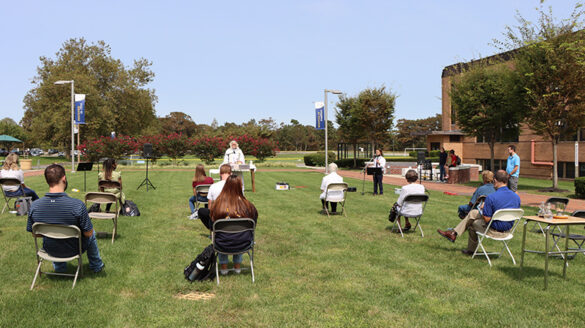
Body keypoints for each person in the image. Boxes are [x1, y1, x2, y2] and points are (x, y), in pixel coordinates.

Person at [26, 164, 105, 273]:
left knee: (50, 234)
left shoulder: (35, 206)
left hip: (50, 249)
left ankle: (60, 269)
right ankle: (96, 266)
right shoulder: (77, 205)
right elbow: (88, 234)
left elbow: (35, 234)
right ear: (64, 178)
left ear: (47, 180)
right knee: (92, 233)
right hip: (74, 249)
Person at [437, 170, 521, 256]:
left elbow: (487, 219)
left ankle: (469, 249)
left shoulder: (491, 198)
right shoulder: (516, 197)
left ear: (495, 180)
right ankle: (453, 234)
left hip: (494, 231)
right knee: (473, 213)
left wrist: (485, 209)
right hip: (508, 230)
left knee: (472, 223)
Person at [210, 175, 258, 275]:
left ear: (226, 186)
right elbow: (254, 224)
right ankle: (237, 266)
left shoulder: (217, 205)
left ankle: (223, 268)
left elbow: (212, 225)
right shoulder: (248, 205)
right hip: (244, 243)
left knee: (223, 235)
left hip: (222, 244)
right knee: (239, 234)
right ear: (240, 187)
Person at [197, 164, 232, 230]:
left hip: (217, 215)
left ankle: (213, 229)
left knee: (202, 211)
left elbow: (210, 205)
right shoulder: (236, 186)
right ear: (231, 173)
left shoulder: (213, 186)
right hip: (232, 214)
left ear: (220, 173)